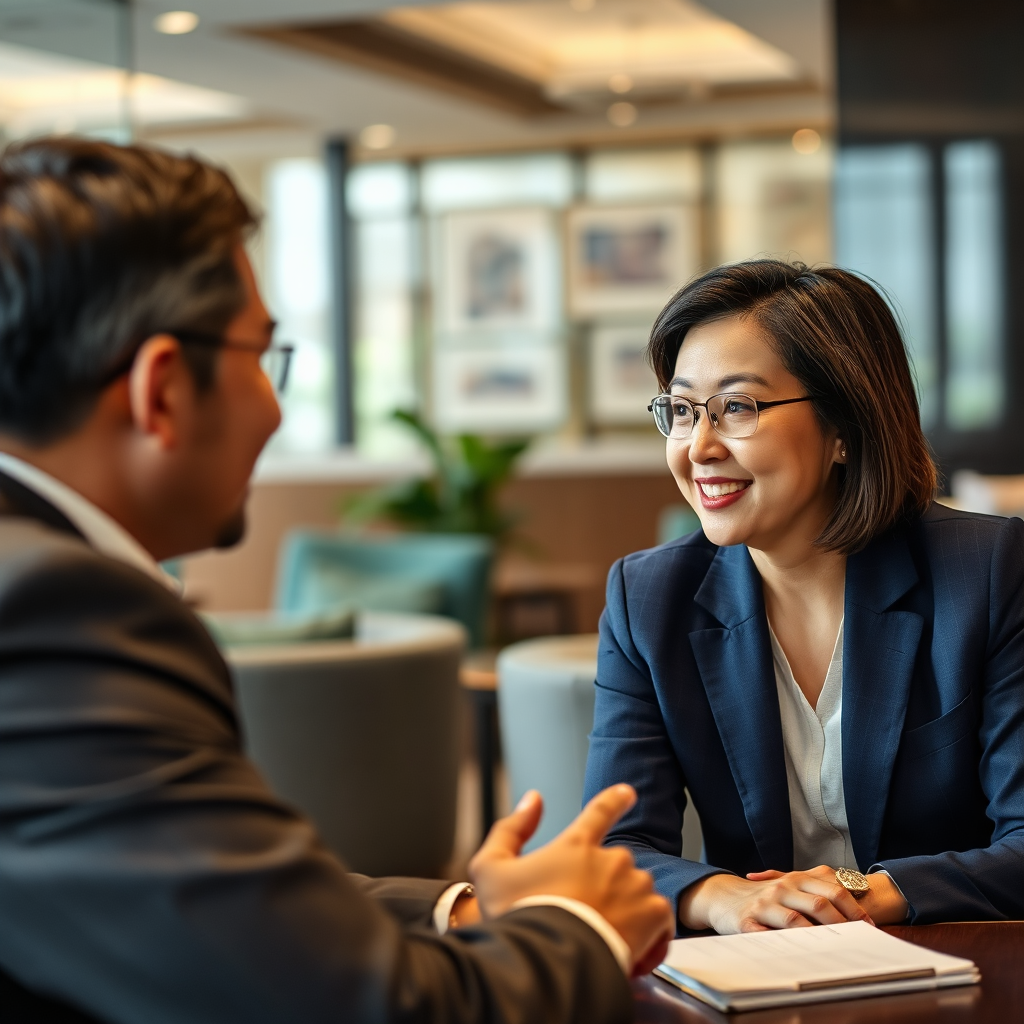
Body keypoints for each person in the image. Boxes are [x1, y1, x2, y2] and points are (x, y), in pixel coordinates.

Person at [0, 137, 674, 1024]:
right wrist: (577, 925)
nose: (275, 407)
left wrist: (460, 909)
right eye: (263, 357)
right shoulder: (57, 618)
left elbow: (203, 895)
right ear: (161, 389)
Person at [583, 260, 1024, 936]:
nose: (698, 447)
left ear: (845, 425)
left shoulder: (988, 573)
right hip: (759, 976)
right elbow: (615, 850)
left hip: (952, 960)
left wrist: (867, 893)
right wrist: (723, 898)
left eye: (737, 406)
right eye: (680, 410)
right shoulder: (648, 599)